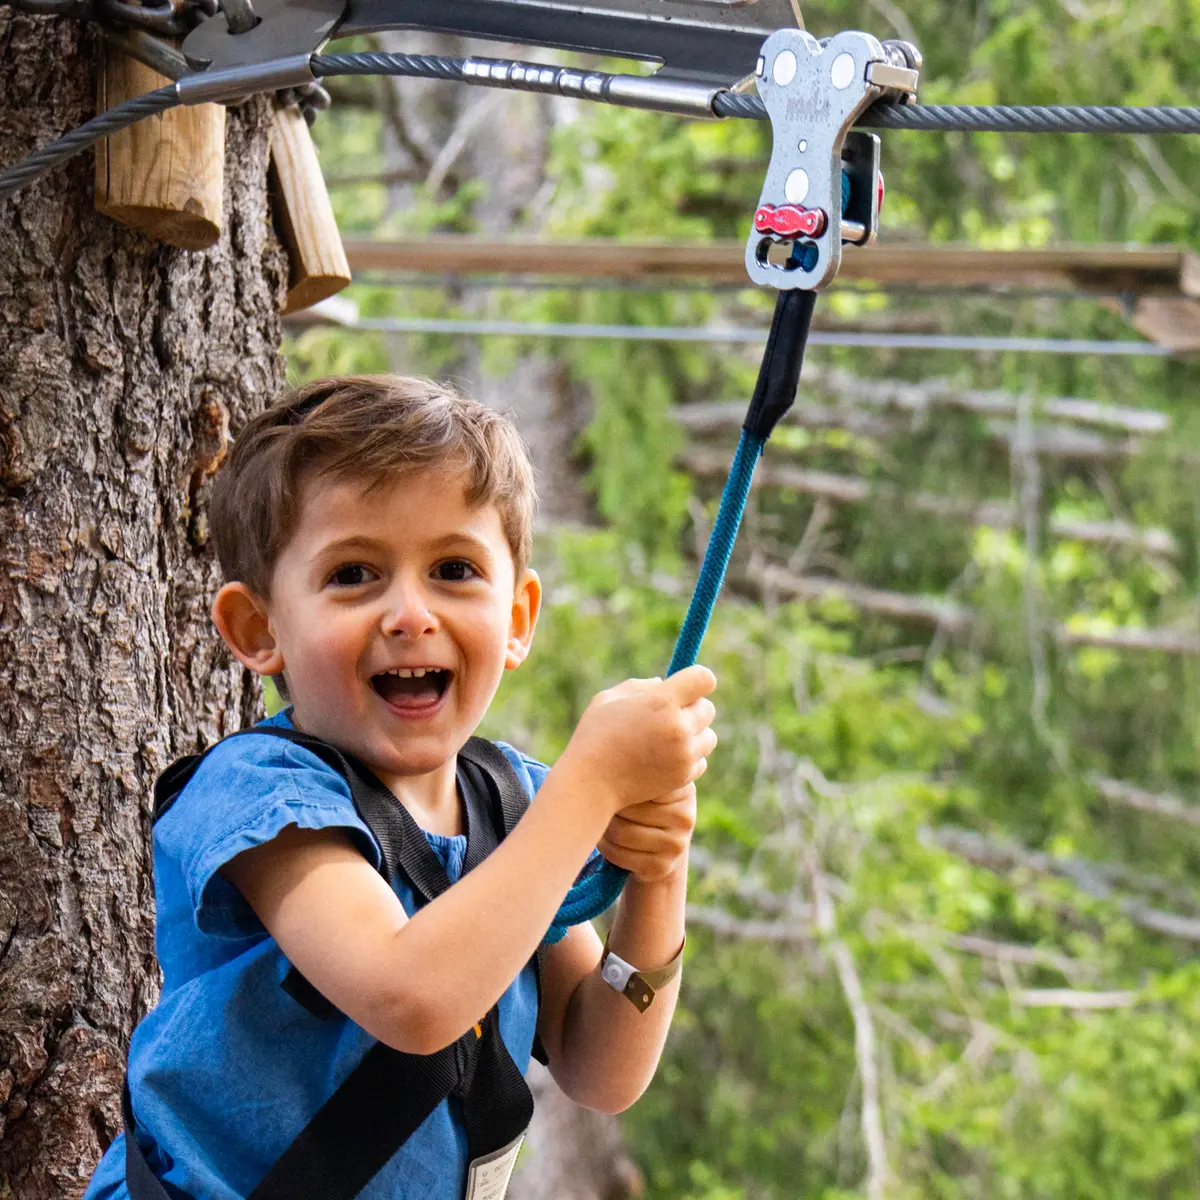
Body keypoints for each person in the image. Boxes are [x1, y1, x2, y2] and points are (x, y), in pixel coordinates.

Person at [85, 375, 718, 1200]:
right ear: (260, 628)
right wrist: (590, 785)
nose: (410, 614)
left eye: (454, 568)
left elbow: (599, 1065)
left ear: (518, 618)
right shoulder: (261, 797)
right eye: (353, 574)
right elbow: (411, 998)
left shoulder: (512, 808)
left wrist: (657, 870)